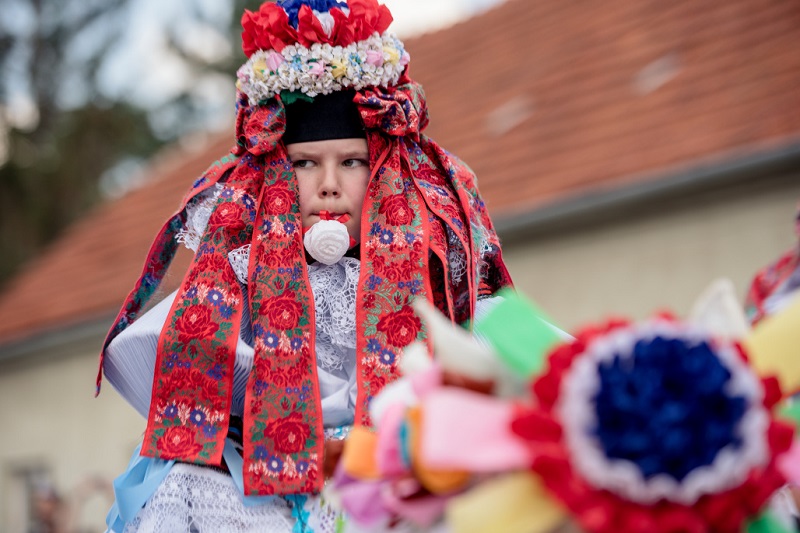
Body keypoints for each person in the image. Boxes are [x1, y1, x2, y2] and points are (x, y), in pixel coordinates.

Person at [97, 0, 512, 531]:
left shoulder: (431, 280)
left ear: (384, 170)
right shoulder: (237, 280)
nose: (329, 184)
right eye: (305, 163)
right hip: (270, 490)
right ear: (275, 172)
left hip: (403, 478)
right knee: (178, 481)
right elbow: (196, 383)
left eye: (352, 161)